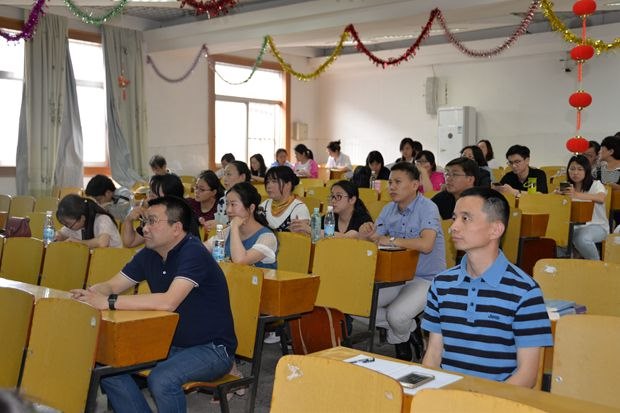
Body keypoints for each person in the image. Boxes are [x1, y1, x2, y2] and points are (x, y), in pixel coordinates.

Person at [70, 196, 237, 412]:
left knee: (162, 379)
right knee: (106, 367)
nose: (145, 228)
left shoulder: (194, 252)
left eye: (152, 221)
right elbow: (112, 285)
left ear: (176, 228)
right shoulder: (150, 253)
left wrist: (108, 302)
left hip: (212, 349)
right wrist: (91, 293)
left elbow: (168, 302)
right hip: (168, 344)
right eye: (144, 221)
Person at [422, 187, 553, 388]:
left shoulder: (525, 291)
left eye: (465, 219)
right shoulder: (441, 284)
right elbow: (433, 355)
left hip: (497, 399)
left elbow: (527, 375)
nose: (453, 226)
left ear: (495, 230)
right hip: (448, 396)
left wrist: (482, 402)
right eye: (454, 218)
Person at [360, 162, 445, 361]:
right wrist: (368, 234)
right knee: (358, 306)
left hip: (426, 278)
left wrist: (391, 240)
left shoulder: (428, 208)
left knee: (396, 315)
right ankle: (409, 330)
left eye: (398, 182)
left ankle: (400, 339)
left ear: (415, 185)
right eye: (390, 182)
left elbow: (426, 244)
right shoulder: (388, 209)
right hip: (396, 276)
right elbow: (376, 239)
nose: (392, 187)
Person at [205, 182, 277, 269]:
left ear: (251, 208)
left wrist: (234, 227)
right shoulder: (228, 231)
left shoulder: (267, 237)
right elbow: (202, 250)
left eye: (233, 204)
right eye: (227, 204)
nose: (228, 210)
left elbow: (240, 261)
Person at [122, 174, 199, 248]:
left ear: (170, 199)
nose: (148, 200)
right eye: (149, 194)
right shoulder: (154, 216)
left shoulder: (184, 221)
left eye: (153, 196)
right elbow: (130, 242)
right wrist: (129, 219)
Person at [557, 155, 608, 260]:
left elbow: (601, 198)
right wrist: (555, 195)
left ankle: (596, 265)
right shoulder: (566, 186)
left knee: (581, 238)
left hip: (597, 226)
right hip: (572, 226)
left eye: (580, 169)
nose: (575, 173)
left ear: (587, 171)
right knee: (556, 237)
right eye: (572, 169)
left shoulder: (596, 184)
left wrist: (576, 195)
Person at [294, 180, 373, 238]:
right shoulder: (329, 217)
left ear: (352, 200)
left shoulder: (363, 220)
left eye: (339, 196)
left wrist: (310, 230)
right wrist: (300, 229)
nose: (333, 201)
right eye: (332, 196)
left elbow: (345, 238)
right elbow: (312, 235)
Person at [55, 194, 122, 248]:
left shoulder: (103, 219)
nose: (68, 227)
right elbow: (61, 234)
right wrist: (57, 236)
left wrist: (77, 242)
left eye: (68, 224)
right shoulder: (76, 225)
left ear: (82, 218)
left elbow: (102, 243)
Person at [260, 166, 310, 232]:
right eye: (267, 182)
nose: (268, 186)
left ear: (288, 184)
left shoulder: (299, 208)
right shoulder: (264, 205)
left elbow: (301, 237)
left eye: (274, 181)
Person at [186, 170, 225, 237]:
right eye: (196, 187)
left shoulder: (221, 208)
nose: (197, 191)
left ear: (213, 192)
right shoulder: (190, 203)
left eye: (202, 189)